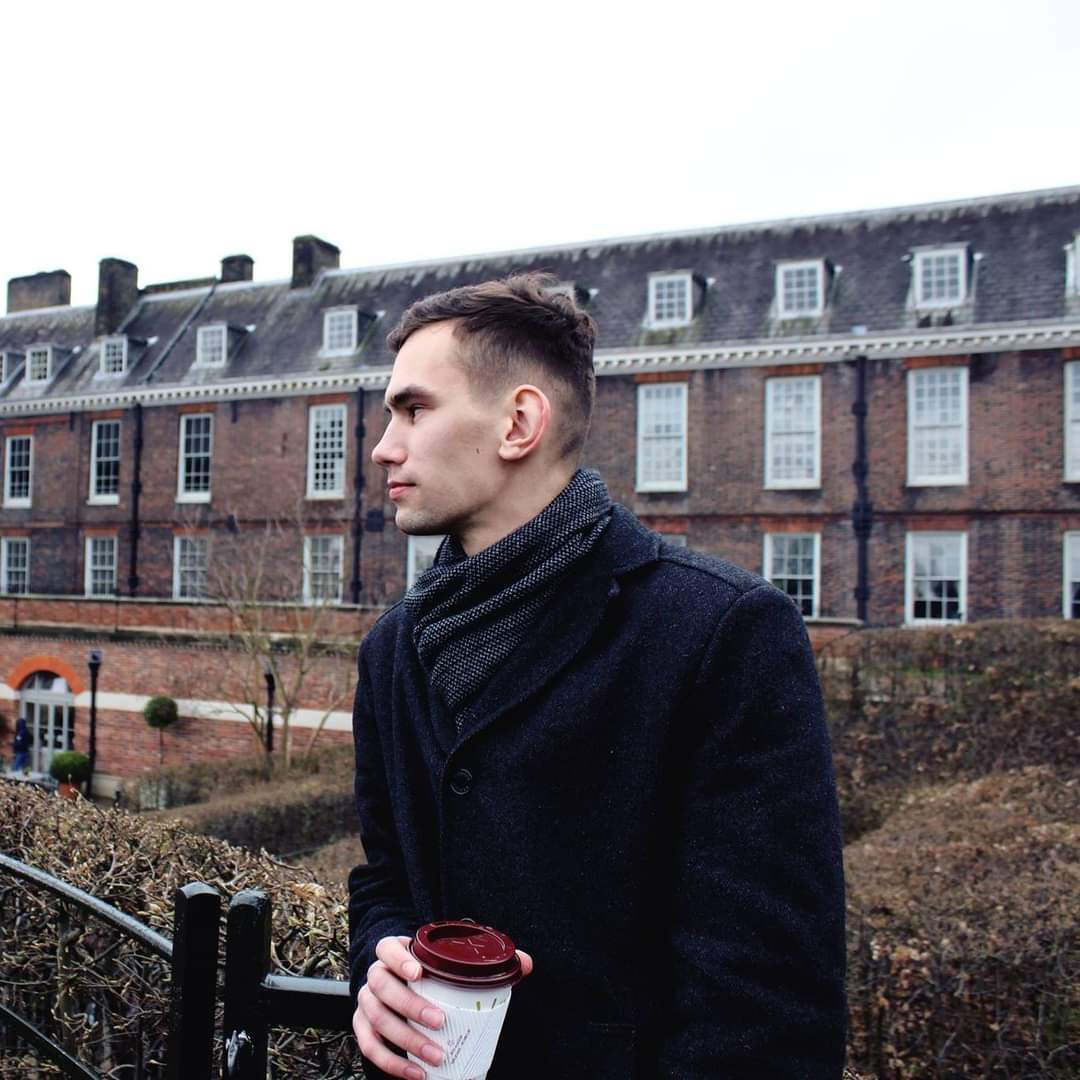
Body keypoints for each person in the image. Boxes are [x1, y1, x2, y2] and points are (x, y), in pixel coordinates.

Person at [348, 273, 846, 1079]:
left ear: (519, 422)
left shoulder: (721, 630)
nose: (383, 446)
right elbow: (385, 881)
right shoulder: (392, 649)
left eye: (413, 410)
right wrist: (380, 963)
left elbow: (764, 1000)